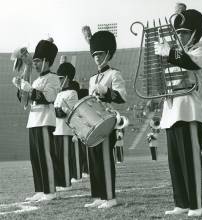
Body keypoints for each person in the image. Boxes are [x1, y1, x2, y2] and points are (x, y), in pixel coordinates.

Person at [154, 9, 202, 217]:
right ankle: (182, 203)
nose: (181, 36)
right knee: (175, 161)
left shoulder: (199, 51)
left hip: (188, 109)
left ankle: (195, 205)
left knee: (190, 159)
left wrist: (169, 53)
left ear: (194, 34)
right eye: (179, 32)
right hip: (171, 110)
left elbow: (189, 62)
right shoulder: (172, 54)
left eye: (185, 32)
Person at [12, 38, 60, 201]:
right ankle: (40, 189)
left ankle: (50, 191)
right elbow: (25, 103)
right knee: (36, 157)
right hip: (34, 120)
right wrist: (21, 88)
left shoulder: (53, 78)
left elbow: (48, 97)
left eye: (38, 61)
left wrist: (28, 88)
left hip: (46, 120)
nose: (35, 64)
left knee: (46, 156)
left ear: (46, 61)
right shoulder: (38, 80)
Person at [83, 30, 127, 209]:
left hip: (108, 121)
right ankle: (99, 196)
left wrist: (107, 92)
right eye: (94, 55)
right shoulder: (93, 78)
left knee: (105, 158)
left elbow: (122, 97)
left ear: (108, 54)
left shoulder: (114, 74)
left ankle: (110, 197)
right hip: (93, 122)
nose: (97, 58)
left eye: (100, 54)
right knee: (94, 159)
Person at [53, 62, 81, 191]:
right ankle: (60, 182)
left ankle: (66, 183)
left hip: (66, 129)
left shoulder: (72, 93)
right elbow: (56, 111)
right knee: (58, 158)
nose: (58, 81)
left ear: (67, 78)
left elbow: (72, 113)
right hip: (57, 129)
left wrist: (62, 109)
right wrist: (60, 109)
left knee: (64, 157)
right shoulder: (59, 94)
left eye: (60, 78)